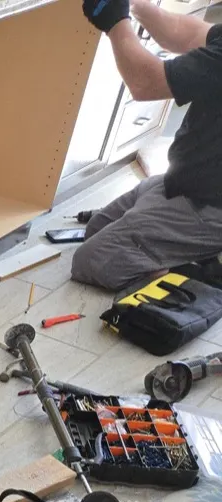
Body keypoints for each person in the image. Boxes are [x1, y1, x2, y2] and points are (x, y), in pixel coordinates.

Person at [72, 0, 222, 290]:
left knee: (90, 262)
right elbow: (186, 34)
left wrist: (115, 21)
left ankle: (206, 266)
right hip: (186, 182)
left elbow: (145, 82)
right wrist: (133, 4)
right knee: (95, 230)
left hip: (210, 205)